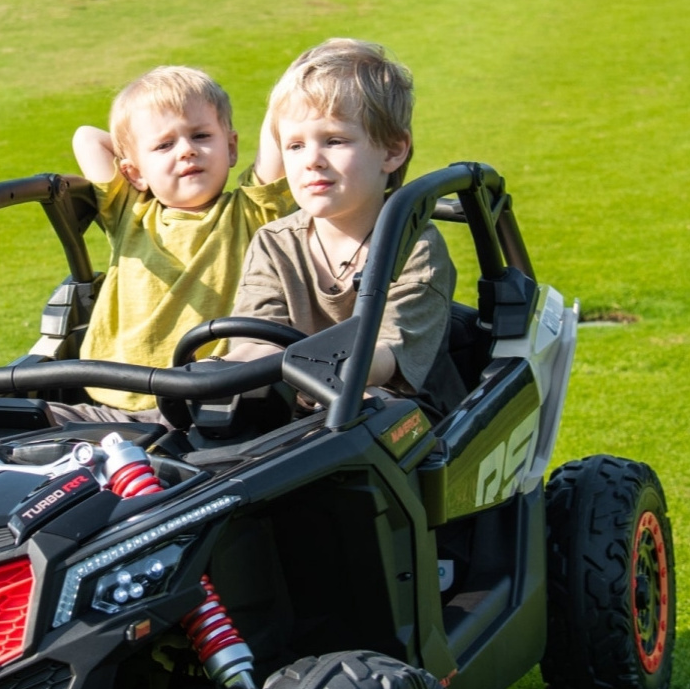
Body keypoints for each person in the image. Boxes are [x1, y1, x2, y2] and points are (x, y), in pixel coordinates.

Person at [226, 38, 468, 416]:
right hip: (300, 413)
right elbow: (255, 338)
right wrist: (228, 368)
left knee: (373, 415)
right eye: (295, 146)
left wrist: (309, 372)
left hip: (404, 420)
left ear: (392, 150)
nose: (312, 161)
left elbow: (386, 356)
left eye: (334, 140)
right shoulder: (274, 244)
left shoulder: (415, 247)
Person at [50, 65, 292, 424]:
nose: (186, 151)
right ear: (132, 172)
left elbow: (280, 122)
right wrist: (140, 161)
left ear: (231, 147)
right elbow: (86, 138)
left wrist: (149, 155)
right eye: (165, 144)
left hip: (208, 403)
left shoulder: (253, 211)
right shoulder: (128, 212)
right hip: (113, 398)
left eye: (201, 136)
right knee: (25, 426)